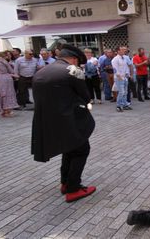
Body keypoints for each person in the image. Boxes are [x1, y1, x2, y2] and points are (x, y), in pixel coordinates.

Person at [31, 44, 96, 203]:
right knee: (81, 150)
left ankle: (65, 183)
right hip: (71, 120)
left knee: (68, 149)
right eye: (78, 62)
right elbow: (86, 96)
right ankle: (73, 188)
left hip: (49, 121)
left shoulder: (42, 71)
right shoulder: (74, 71)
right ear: (74, 59)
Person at [0, 48, 19, 117]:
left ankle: (4, 111)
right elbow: (11, 70)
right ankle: (8, 110)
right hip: (7, 78)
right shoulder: (2, 60)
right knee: (9, 93)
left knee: (0, 94)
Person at [112, 46, 132, 112]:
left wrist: (127, 74)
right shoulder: (115, 59)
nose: (124, 51)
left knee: (125, 92)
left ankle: (124, 104)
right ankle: (118, 106)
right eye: (122, 50)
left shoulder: (124, 58)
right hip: (119, 78)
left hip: (125, 77)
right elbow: (115, 69)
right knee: (121, 92)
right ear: (118, 51)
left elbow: (126, 67)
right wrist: (119, 77)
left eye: (124, 50)